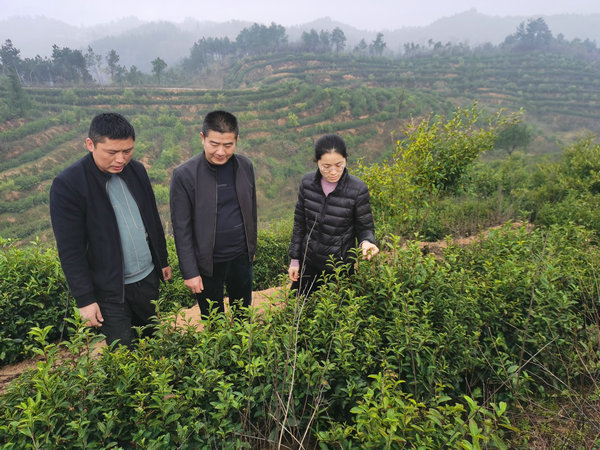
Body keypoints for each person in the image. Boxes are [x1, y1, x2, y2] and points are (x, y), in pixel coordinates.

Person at [49, 112, 172, 348]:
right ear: (90, 144)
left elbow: (152, 218)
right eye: (112, 152)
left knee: (153, 342)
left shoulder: (136, 171)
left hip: (146, 279)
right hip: (110, 290)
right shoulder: (69, 185)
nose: (121, 159)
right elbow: (70, 250)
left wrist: (162, 259)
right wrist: (85, 300)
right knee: (123, 350)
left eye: (127, 151)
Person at [170, 110, 257, 317]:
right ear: (203, 138)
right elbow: (181, 228)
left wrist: (251, 248)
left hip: (241, 257)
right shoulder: (185, 175)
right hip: (207, 263)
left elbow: (251, 208)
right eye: (214, 144)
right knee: (213, 319)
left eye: (228, 145)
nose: (221, 152)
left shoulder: (244, 166)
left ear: (236, 140)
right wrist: (190, 272)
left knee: (242, 314)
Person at [288, 133, 379, 297]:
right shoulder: (307, 183)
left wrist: (366, 242)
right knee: (298, 309)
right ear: (317, 162)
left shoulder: (357, 189)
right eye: (326, 166)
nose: (333, 171)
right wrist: (295, 260)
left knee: (337, 316)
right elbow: (299, 224)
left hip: (339, 268)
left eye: (339, 165)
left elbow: (365, 227)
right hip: (308, 263)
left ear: (345, 159)